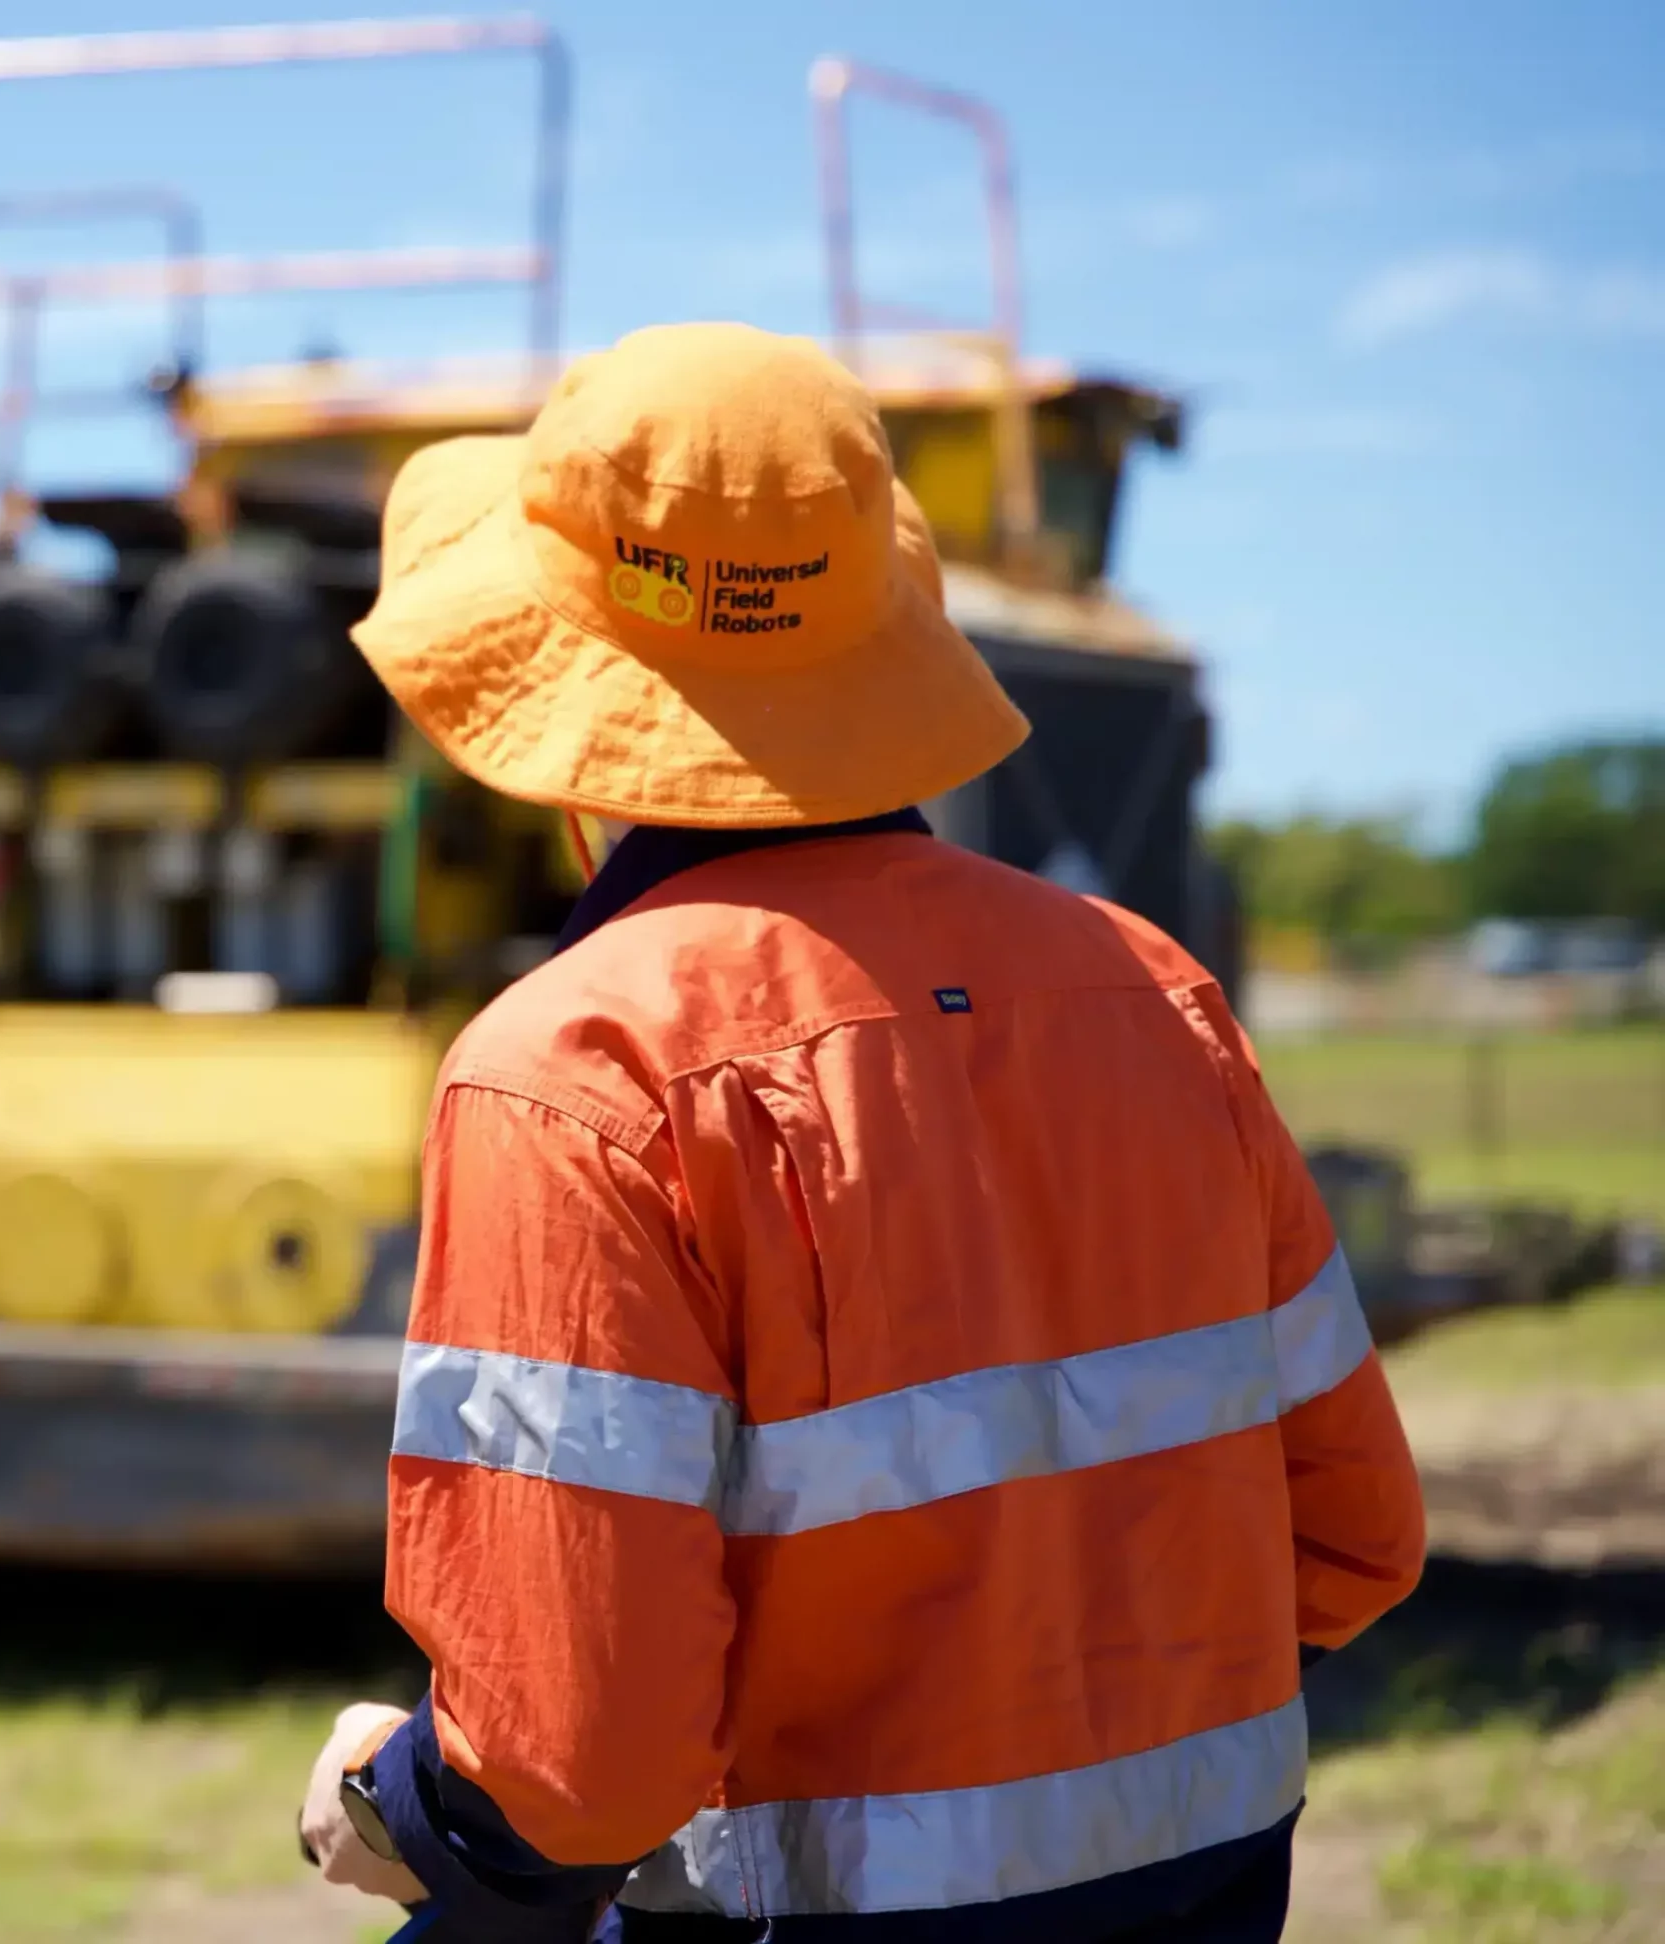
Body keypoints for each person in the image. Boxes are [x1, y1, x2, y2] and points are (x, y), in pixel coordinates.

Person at [295, 322, 1426, 1943]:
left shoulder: (576, 1075)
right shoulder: (1152, 994)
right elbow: (1354, 1536)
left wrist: (388, 1798)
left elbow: (573, 1771)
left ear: (555, 685)